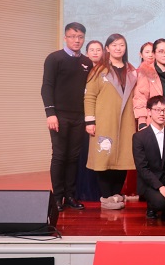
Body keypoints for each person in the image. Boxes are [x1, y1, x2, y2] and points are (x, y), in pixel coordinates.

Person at [41, 22, 92, 212]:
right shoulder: (54, 58)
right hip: (59, 116)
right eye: (72, 36)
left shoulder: (87, 62)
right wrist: (50, 114)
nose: (76, 40)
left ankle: (70, 196)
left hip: (79, 117)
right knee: (60, 155)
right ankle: (57, 198)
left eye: (80, 37)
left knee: (73, 157)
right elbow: (46, 87)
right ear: (65, 38)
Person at [84, 33, 138, 210]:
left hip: (127, 121)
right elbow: (89, 97)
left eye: (121, 45)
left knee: (123, 157)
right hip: (105, 120)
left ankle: (116, 194)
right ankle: (106, 196)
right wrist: (90, 121)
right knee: (104, 157)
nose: (118, 48)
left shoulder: (132, 71)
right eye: (114, 45)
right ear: (107, 48)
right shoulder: (99, 71)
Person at [132, 95, 165, 222]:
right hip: (149, 182)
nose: (162, 114)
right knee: (160, 203)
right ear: (149, 112)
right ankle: (152, 208)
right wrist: (161, 187)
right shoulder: (139, 137)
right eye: (157, 110)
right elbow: (142, 168)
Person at [76, 39, 103, 202]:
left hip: (101, 118)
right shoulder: (81, 70)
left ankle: (99, 191)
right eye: (92, 49)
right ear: (86, 53)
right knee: (83, 154)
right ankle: (83, 191)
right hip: (83, 117)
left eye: (98, 49)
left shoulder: (106, 71)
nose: (95, 52)